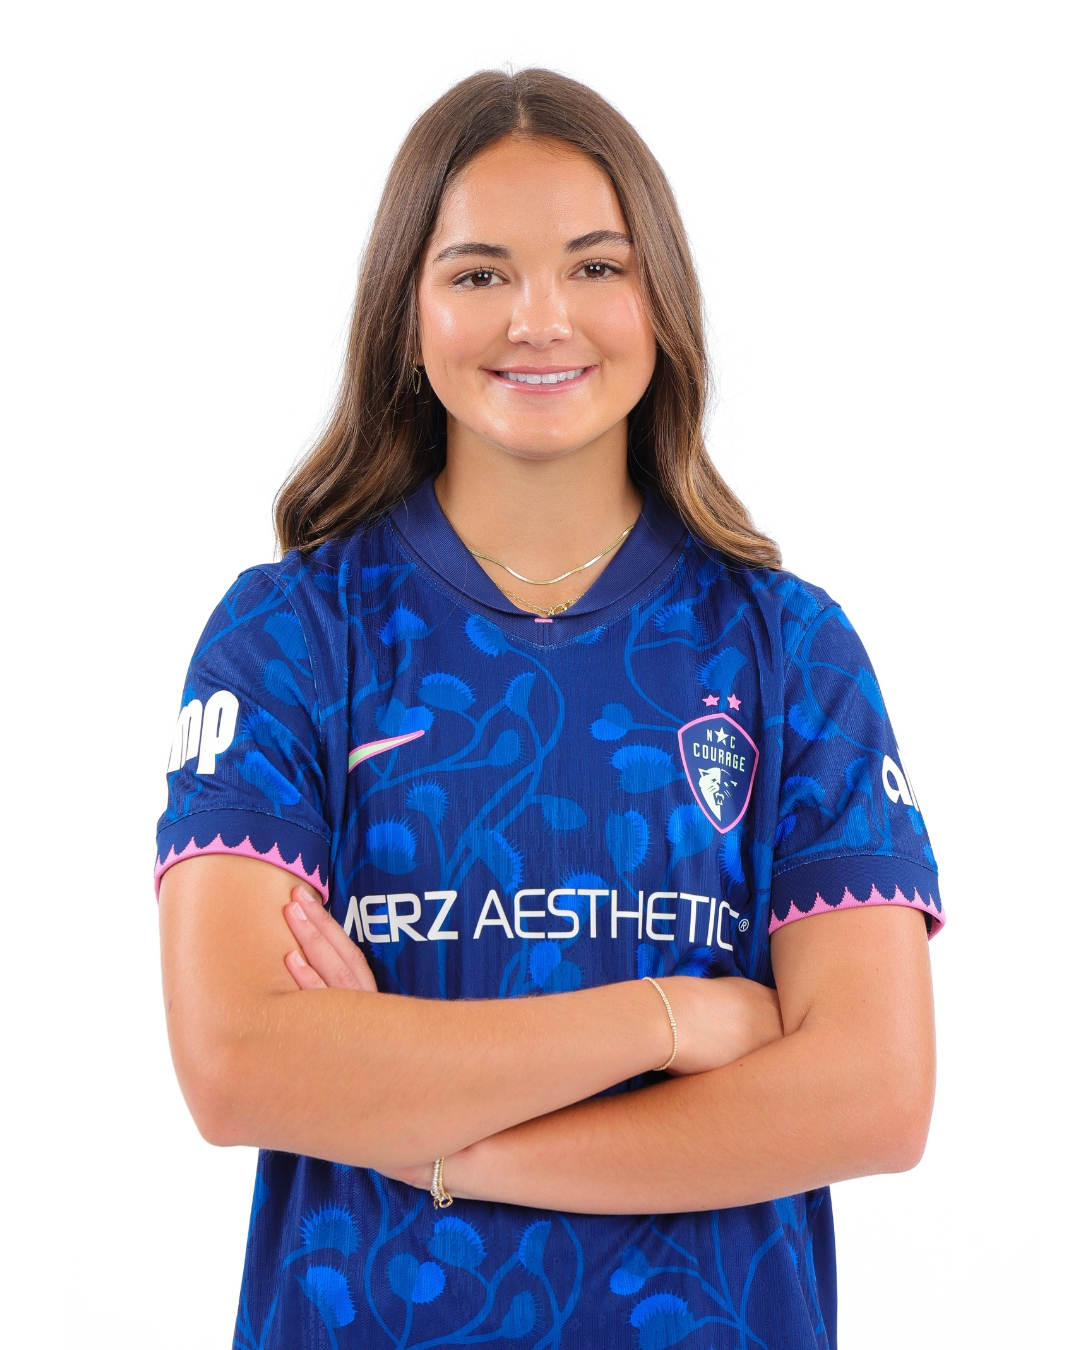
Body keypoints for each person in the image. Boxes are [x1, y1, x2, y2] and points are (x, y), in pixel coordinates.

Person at [157, 68, 942, 1350]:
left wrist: (439, 1142)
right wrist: (674, 1019)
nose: (538, 319)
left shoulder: (790, 650)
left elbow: (874, 1097)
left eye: (596, 266)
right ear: (406, 313)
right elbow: (239, 1064)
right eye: (478, 273)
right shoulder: (291, 637)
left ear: (660, 301)